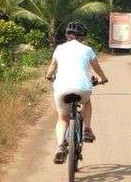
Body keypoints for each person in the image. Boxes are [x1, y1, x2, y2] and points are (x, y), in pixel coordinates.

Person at [44, 22, 108, 164]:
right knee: (86, 102)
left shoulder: (59, 49)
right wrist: (103, 79)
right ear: (83, 36)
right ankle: (87, 129)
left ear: (67, 35)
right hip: (82, 88)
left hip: (62, 88)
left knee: (63, 118)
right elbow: (97, 69)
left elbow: (51, 69)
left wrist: (49, 77)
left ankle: (60, 146)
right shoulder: (87, 50)